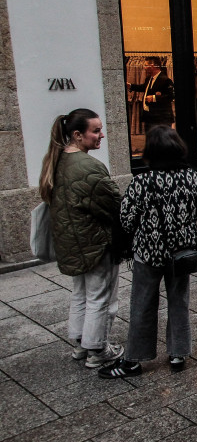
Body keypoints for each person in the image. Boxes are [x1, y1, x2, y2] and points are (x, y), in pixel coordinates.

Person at [98, 126, 197, 379]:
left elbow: (126, 218)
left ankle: (134, 360)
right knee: (179, 301)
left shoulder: (143, 181)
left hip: (149, 254)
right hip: (182, 253)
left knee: (142, 304)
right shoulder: (193, 177)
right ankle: (178, 353)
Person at [40, 109, 123, 368]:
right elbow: (113, 205)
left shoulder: (57, 160)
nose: (102, 135)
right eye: (95, 131)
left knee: (81, 294)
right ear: (78, 135)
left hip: (71, 242)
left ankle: (80, 344)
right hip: (95, 242)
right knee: (102, 296)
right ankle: (98, 350)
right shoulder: (89, 166)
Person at [133, 57, 175, 130]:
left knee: (161, 139)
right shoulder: (149, 78)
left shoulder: (165, 80)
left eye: (146, 65)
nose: (144, 68)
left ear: (153, 66)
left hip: (161, 117)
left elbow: (171, 96)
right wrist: (130, 86)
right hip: (150, 116)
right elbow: (144, 88)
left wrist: (154, 98)